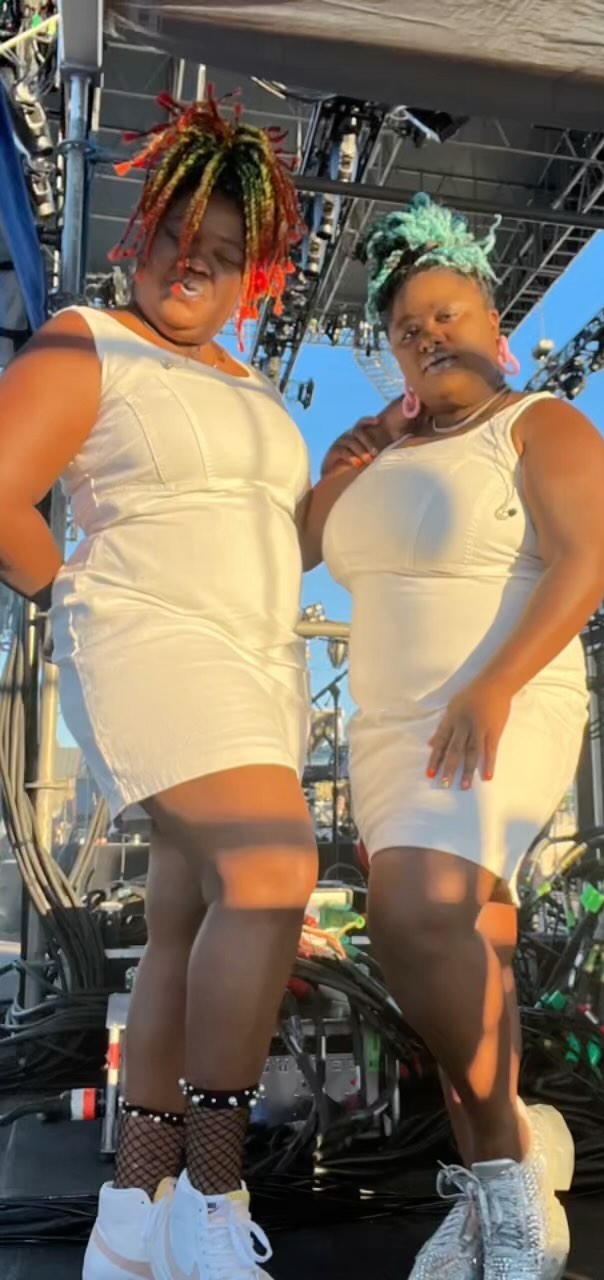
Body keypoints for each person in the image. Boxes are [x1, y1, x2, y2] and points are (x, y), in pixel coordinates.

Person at [0, 91, 317, 1280]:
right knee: (273, 868)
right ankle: (213, 1193)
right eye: (177, 235)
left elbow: (268, 532)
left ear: (250, 274)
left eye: (223, 251)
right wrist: (70, 585)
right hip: (150, 639)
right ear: (137, 234)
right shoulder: (88, 339)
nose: (194, 260)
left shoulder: (251, 384)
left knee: (185, 918)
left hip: (259, 659)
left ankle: (133, 1212)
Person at [303, 194, 604, 1280]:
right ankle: (505, 1185)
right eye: (408, 328)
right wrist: (347, 462)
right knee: (464, 952)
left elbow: (588, 557)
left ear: (494, 322)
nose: (430, 334)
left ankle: (506, 1174)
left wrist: (492, 684)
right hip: (388, 732)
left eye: (448, 314)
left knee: (414, 915)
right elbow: (298, 547)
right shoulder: (384, 450)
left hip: (501, 703)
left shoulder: (538, 422)